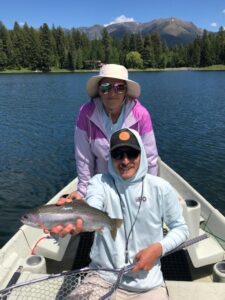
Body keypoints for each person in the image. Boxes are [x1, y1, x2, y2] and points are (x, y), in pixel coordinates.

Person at [51, 128, 189, 299]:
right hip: (102, 277)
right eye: (118, 154)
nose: (125, 161)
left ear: (141, 154)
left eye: (131, 153)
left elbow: (181, 229)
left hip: (147, 284)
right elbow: (93, 205)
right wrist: (74, 211)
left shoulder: (161, 188)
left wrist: (157, 249)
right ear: (111, 157)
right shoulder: (99, 183)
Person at [63, 64, 158, 202]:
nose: (112, 93)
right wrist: (83, 191)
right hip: (101, 185)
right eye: (106, 87)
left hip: (134, 185)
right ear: (99, 90)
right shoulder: (86, 113)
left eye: (119, 87)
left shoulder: (141, 115)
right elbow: (83, 157)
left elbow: (150, 158)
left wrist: (149, 192)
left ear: (126, 91)